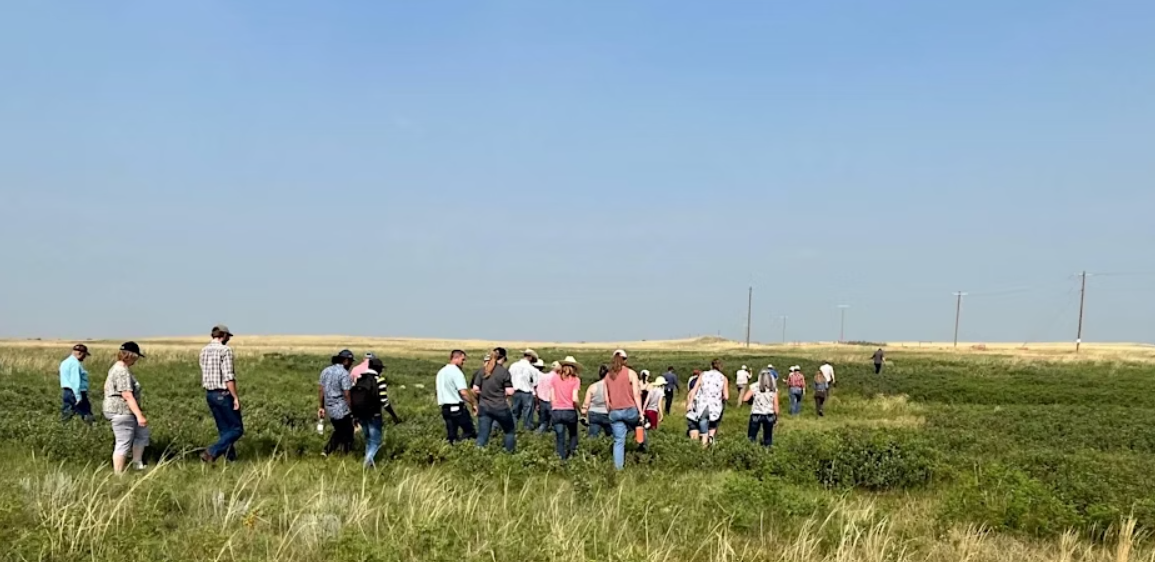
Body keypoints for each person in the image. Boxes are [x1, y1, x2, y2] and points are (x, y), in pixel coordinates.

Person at [199, 325, 244, 464]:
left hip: (210, 394)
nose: (229, 339)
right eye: (228, 336)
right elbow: (228, 376)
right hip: (223, 393)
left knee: (224, 430)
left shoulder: (204, 350)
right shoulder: (225, 350)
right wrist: (235, 397)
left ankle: (231, 460)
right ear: (223, 335)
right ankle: (211, 451)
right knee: (237, 429)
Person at [103, 342, 149, 473]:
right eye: (136, 357)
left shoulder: (116, 368)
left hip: (122, 409)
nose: (136, 360)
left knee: (142, 433)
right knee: (123, 442)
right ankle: (118, 474)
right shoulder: (122, 371)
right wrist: (139, 416)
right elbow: (127, 395)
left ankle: (137, 462)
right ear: (131, 356)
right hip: (122, 411)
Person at [604, 350, 644, 470]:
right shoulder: (631, 373)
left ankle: (618, 469)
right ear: (625, 360)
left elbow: (606, 399)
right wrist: (641, 412)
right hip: (629, 409)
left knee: (618, 441)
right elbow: (636, 394)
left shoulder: (608, 376)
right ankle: (641, 451)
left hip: (614, 411)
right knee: (640, 426)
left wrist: (610, 411)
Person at [473, 347, 517, 453]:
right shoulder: (503, 372)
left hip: (484, 407)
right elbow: (510, 391)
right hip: (500, 406)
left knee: (482, 435)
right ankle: (509, 453)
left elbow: (475, 388)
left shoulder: (482, 370)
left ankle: (477, 454)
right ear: (502, 358)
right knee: (509, 431)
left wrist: (484, 393)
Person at [352, 357, 389, 467]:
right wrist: (394, 415)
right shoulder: (379, 380)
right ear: (377, 368)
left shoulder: (359, 379)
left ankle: (368, 464)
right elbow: (384, 401)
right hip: (374, 414)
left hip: (361, 414)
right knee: (376, 442)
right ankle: (367, 462)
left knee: (368, 440)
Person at [318, 350, 356, 456]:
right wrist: (352, 410)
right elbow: (347, 394)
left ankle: (341, 452)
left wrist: (321, 406)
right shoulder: (344, 374)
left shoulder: (325, 371)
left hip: (330, 407)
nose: (351, 364)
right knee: (344, 431)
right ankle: (329, 451)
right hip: (341, 408)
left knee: (343, 430)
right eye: (351, 361)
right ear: (346, 361)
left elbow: (321, 390)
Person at [436, 350, 477, 444]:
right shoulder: (456, 372)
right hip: (457, 408)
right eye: (462, 359)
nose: (463, 362)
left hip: (445, 408)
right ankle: (464, 447)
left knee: (451, 435)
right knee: (470, 432)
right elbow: (463, 392)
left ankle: (451, 447)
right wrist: (473, 403)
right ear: (456, 358)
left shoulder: (441, 372)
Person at [686, 359, 729, 447]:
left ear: (711, 366)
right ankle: (711, 438)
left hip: (703, 404)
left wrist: (690, 402)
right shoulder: (724, 378)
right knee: (714, 423)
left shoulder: (703, 375)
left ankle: (704, 445)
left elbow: (694, 389)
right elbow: (726, 396)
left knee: (703, 422)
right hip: (715, 406)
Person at [550, 356, 583, 460]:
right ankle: (572, 455)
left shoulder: (554, 378)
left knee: (560, 437)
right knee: (573, 434)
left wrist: (554, 406)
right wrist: (580, 410)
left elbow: (552, 396)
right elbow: (575, 398)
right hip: (569, 410)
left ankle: (561, 458)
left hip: (556, 410)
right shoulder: (576, 380)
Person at [742, 367, 780, 447]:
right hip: (769, 414)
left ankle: (750, 449)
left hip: (756, 413)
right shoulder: (773, 388)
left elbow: (745, 399)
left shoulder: (754, 386)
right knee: (768, 436)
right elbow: (776, 404)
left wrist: (752, 400)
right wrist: (776, 416)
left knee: (752, 436)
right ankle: (767, 449)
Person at [59, 344, 94, 424]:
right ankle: (91, 429)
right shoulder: (75, 364)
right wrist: (78, 397)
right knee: (86, 413)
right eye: (84, 355)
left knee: (67, 413)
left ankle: (63, 427)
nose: (84, 357)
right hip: (76, 392)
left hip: (67, 392)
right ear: (80, 353)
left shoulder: (64, 362)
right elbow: (75, 381)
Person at [508, 349, 540, 431]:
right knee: (528, 413)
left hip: (515, 392)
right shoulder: (532, 369)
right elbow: (535, 384)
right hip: (527, 393)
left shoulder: (513, 366)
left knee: (514, 412)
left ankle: (512, 429)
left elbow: (508, 379)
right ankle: (527, 429)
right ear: (530, 358)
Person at [581, 364, 613, 438]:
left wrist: (583, 413)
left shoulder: (592, 386)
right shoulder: (612, 386)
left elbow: (586, 403)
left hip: (594, 413)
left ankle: (592, 444)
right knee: (612, 436)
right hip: (607, 413)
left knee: (593, 436)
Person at [535, 361, 558, 434]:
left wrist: (537, 403)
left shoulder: (543, 376)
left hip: (542, 401)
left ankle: (538, 434)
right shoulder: (557, 378)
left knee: (543, 421)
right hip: (552, 401)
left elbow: (537, 390)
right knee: (555, 422)